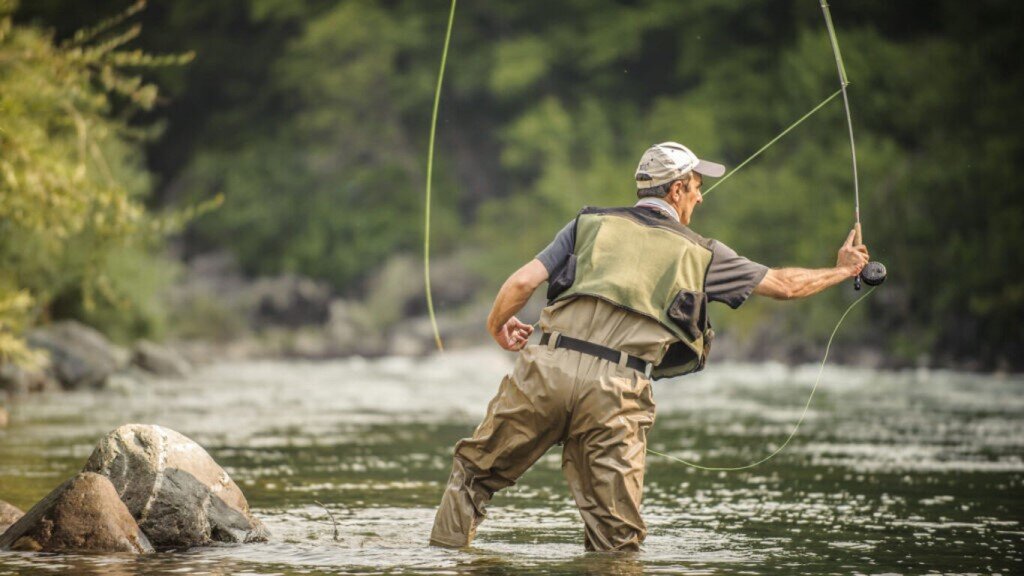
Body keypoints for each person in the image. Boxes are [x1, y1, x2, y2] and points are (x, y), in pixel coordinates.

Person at [429, 141, 870, 551]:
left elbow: (522, 282)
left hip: (545, 371)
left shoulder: (589, 224)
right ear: (677, 189)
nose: (700, 197)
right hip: (617, 392)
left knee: (473, 475)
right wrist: (841, 271)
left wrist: (497, 326)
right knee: (616, 535)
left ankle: (446, 562)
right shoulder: (703, 253)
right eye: (697, 187)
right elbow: (785, 286)